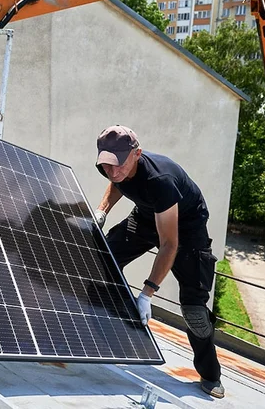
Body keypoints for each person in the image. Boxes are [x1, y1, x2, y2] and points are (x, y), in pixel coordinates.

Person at [92, 125, 225, 398]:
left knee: (195, 312)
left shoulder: (160, 180)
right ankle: (113, 335)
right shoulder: (119, 167)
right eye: (107, 165)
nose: (113, 171)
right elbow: (117, 181)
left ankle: (211, 375)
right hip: (146, 216)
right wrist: (102, 210)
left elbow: (170, 244)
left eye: (118, 164)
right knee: (101, 261)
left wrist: (147, 293)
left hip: (186, 231)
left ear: (137, 154)